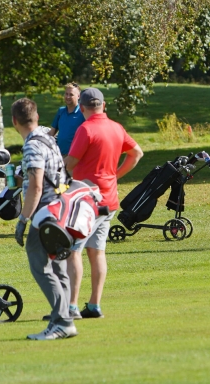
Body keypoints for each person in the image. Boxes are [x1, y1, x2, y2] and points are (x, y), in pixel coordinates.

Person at [64, 87, 143, 318]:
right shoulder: (116, 127)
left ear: (82, 107)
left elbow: (70, 163)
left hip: (85, 200)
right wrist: (115, 175)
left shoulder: (85, 129)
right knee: (97, 252)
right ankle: (94, 305)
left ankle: (70, 307)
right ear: (103, 105)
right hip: (109, 199)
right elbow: (136, 153)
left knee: (73, 251)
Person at [11, 97, 77, 340]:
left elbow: (36, 187)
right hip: (60, 208)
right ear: (36, 117)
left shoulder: (31, 146)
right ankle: (63, 317)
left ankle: (62, 322)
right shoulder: (48, 137)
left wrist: (22, 219)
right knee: (57, 265)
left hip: (45, 213)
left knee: (39, 264)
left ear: (14, 121)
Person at [48, 82, 85, 156]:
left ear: (78, 96)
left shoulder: (83, 113)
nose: (68, 97)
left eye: (71, 94)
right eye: (66, 94)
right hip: (59, 155)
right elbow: (51, 133)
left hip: (75, 157)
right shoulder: (61, 111)